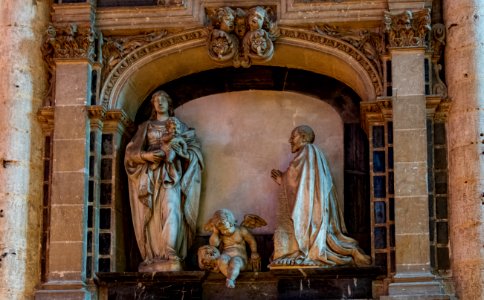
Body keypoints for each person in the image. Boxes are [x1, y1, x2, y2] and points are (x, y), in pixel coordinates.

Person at [125, 90, 204, 272]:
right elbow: (130, 153)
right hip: (150, 175)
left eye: (163, 100)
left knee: (171, 208)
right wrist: (147, 155)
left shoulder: (180, 127)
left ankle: (170, 252)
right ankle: (153, 255)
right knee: (152, 215)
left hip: (171, 175)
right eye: (156, 100)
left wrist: (181, 152)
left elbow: (194, 153)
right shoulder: (145, 126)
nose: (159, 103)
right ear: (152, 105)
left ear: (169, 104)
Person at [271, 125, 370, 267]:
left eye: (293, 137)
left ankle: (307, 250)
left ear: (303, 137)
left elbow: (299, 178)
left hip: (312, 204)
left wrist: (283, 179)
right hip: (314, 202)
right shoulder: (313, 153)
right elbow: (303, 180)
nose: (290, 140)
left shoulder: (308, 150)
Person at [201, 209, 263, 288]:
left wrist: (254, 252)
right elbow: (213, 244)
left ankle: (230, 279)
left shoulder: (241, 230)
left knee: (235, 261)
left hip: (240, 259)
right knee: (221, 259)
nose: (226, 232)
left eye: (227, 228)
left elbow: (251, 241)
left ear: (232, 223)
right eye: (223, 230)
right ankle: (231, 276)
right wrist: (216, 232)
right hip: (226, 256)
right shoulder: (220, 234)